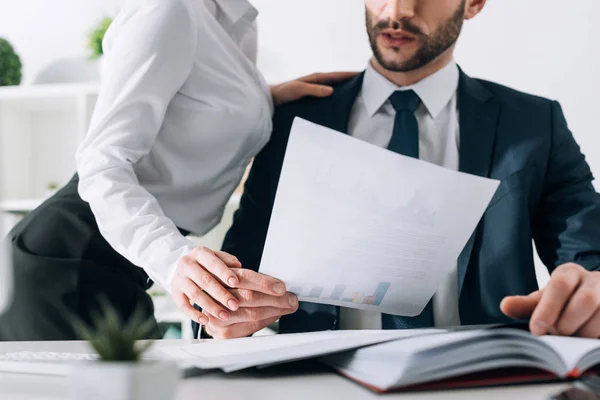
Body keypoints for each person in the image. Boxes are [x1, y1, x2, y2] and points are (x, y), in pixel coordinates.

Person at [201, 0, 600, 340]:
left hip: (487, 383)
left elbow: (589, 258)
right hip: (324, 386)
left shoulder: (533, 124)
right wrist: (225, 315)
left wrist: (590, 292)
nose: (398, 10)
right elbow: (235, 279)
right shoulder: (293, 121)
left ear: (474, 2)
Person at [0, 0, 354, 341]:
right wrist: (174, 260)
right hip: (70, 255)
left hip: (120, 263)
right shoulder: (168, 9)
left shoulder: (233, 19)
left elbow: (195, 103)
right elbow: (101, 160)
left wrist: (264, 101)